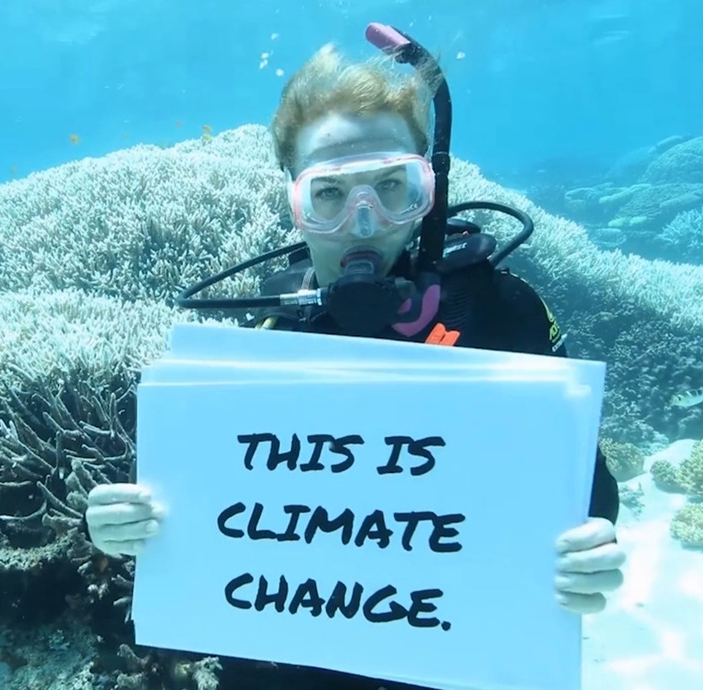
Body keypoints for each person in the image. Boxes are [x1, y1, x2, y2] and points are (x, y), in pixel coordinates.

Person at [84, 24, 625, 690]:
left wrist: (589, 549)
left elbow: (585, 489)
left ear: (431, 192)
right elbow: (197, 516)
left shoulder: (504, 312)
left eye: (391, 188)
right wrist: (127, 529)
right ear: (297, 206)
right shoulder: (259, 346)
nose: (364, 223)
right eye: (331, 196)